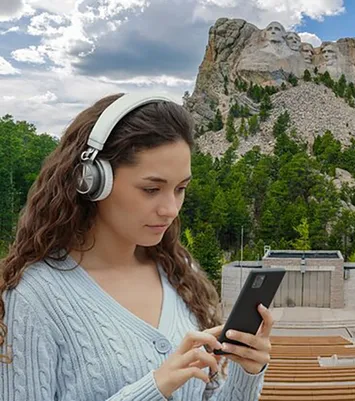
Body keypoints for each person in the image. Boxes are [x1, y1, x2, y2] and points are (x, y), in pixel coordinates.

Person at [0, 93, 272, 400]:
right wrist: (154, 388)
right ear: (92, 180)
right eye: (151, 189)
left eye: (181, 189)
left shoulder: (180, 274)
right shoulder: (33, 298)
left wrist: (246, 373)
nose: (170, 208)